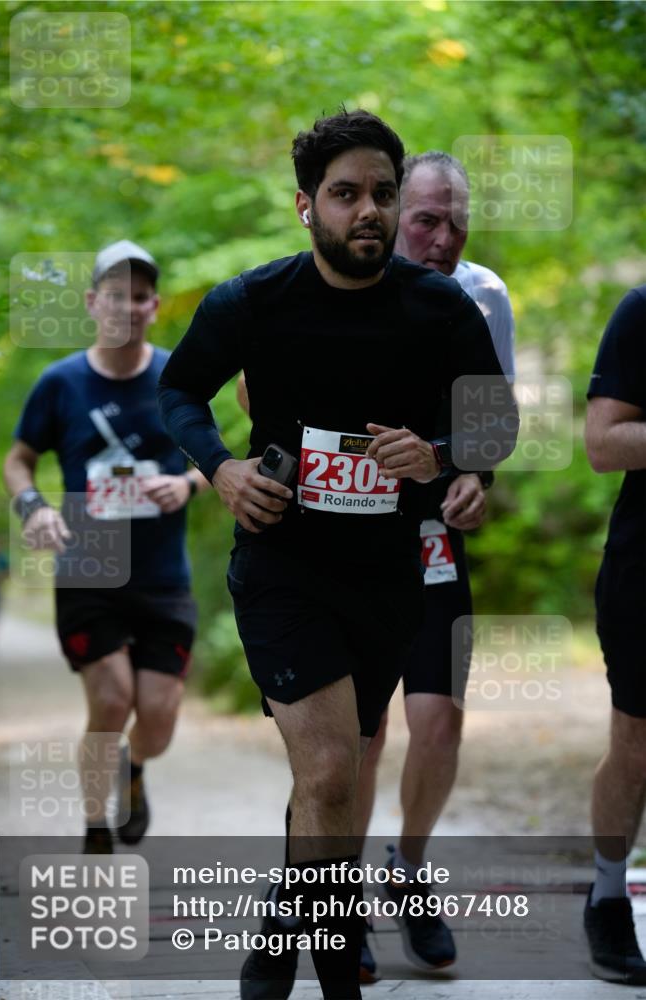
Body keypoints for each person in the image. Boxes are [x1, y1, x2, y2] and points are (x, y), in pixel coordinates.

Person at [158, 108, 515, 1000]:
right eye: (345, 194)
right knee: (324, 774)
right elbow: (178, 393)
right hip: (282, 567)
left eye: (382, 194)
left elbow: (495, 426)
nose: (368, 211)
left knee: (337, 783)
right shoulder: (252, 301)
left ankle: (281, 936)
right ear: (304, 205)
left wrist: (439, 454)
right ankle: (335, 983)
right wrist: (221, 468)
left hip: (388, 576)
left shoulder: (439, 307)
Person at [354, 151, 516, 980]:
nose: (443, 238)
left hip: (429, 532)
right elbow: (255, 394)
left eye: (457, 223)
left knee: (439, 717)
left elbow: (489, 423)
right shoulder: (341, 279)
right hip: (345, 533)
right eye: (426, 220)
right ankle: (334, 892)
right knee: (361, 730)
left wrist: (473, 478)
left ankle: (407, 868)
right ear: (392, 216)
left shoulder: (484, 295)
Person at [3, 240, 207, 853]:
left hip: (163, 574)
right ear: (93, 303)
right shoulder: (60, 383)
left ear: (154, 306)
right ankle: (95, 828)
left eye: (139, 297)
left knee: (159, 719)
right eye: (115, 295)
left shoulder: (178, 378)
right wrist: (34, 507)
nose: (127, 307)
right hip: (88, 566)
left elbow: (217, 460)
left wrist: (186, 484)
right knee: (112, 698)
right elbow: (19, 460)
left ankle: (133, 767)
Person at [583, 284, 646, 986]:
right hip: (644, 569)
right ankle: (605, 895)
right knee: (636, 744)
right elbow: (602, 443)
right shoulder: (641, 310)